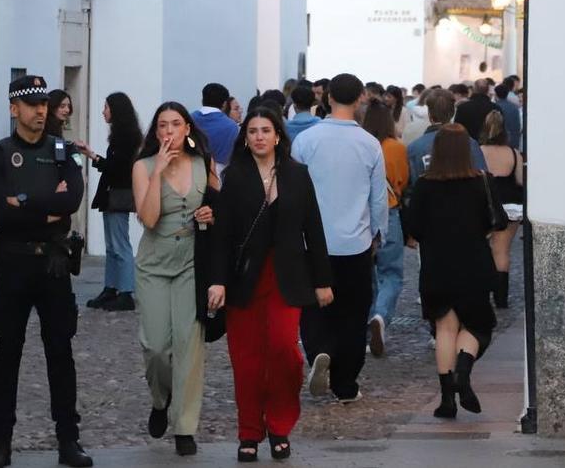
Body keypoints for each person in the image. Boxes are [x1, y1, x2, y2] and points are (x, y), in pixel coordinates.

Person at [0, 75, 92, 468]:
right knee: (7, 353)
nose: (41, 111)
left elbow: (73, 199)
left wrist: (22, 202)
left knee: (60, 353)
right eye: (31, 105)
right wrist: (45, 207)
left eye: (44, 104)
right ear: (15, 109)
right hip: (12, 263)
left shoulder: (63, 152)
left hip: (54, 264)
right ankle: (0, 443)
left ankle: (68, 440)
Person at [211, 107, 333, 461]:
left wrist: (323, 280)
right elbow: (222, 237)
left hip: (287, 277)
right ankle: (249, 431)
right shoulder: (234, 177)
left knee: (284, 351)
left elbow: (314, 229)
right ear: (245, 138)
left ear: (278, 135)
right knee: (246, 360)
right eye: (252, 131)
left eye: (266, 130)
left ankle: (280, 424)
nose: (260, 136)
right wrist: (217, 281)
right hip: (245, 279)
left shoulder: (298, 175)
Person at [290, 74, 387, 404]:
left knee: (314, 309)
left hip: (313, 243)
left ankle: (319, 350)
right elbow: (377, 200)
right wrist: (378, 234)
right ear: (360, 97)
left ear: (327, 97)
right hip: (355, 242)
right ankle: (345, 382)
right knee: (353, 313)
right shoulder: (370, 144)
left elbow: (294, 191)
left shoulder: (306, 141)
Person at [132, 102, 220, 457]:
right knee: (156, 346)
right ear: (156, 132)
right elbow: (149, 218)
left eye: (176, 124)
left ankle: (185, 426)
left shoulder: (204, 165)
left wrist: (211, 214)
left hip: (191, 263)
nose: (169, 131)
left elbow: (221, 210)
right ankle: (160, 399)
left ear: (187, 129)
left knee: (189, 344)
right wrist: (158, 173)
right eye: (163, 125)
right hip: (154, 263)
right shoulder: (142, 166)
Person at [403, 124, 506, 420]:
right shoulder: (480, 181)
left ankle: (447, 400)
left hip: (437, 266)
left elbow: (414, 228)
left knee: (445, 328)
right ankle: (464, 370)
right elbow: (495, 221)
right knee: (478, 326)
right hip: (473, 263)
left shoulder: (424, 184)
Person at [76, 92, 142, 312]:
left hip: (118, 194)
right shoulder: (121, 136)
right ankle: (112, 287)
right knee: (112, 245)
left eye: (106, 107)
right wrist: (92, 155)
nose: (103, 111)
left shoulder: (126, 137)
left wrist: (93, 157)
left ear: (116, 109)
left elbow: (118, 168)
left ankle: (125, 292)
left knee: (119, 244)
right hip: (112, 194)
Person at [360, 100, 409, 358]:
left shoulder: (361, 146)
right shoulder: (396, 148)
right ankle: (381, 316)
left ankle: (370, 322)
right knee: (391, 273)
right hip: (390, 211)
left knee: (367, 275)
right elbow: (403, 180)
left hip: (363, 214)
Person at [479, 111, 524, 308]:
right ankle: (501, 298)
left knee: (482, 249)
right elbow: (520, 181)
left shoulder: (477, 151)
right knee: (502, 251)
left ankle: (482, 291)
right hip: (510, 207)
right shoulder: (514, 153)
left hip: (484, 206)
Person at [407, 90, 486, 183]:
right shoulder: (470, 143)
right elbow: (482, 177)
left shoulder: (414, 147)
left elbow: (413, 185)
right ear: (453, 113)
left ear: (429, 114)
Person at [191, 83, 241, 168]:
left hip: (192, 171)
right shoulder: (232, 126)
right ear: (225, 104)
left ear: (202, 100)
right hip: (221, 175)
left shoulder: (189, 119)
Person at [493, 84, 523, 151]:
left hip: (500, 145)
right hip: (514, 143)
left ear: (496, 95)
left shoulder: (495, 107)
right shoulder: (515, 108)